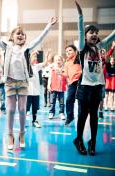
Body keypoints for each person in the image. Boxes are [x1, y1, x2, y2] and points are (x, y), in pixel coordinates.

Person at [0, 16, 57, 150]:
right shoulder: (7, 47)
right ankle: (10, 134)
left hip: (23, 82)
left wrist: (48, 26)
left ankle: (21, 134)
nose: (20, 35)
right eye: (18, 33)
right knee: (10, 109)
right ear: (12, 37)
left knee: (21, 109)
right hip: (9, 81)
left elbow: (39, 39)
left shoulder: (27, 48)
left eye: (22, 34)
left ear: (25, 38)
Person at [73, 1, 115, 156]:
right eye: (91, 32)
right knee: (83, 115)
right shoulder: (82, 48)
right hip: (84, 87)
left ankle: (93, 142)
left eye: (96, 32)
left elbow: (113, 35)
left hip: (98, 86)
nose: (94, 34)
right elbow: (80, 30)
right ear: (85, 35)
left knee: (94, 117)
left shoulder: (100, 47)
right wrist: (80, 14)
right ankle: (78, 140)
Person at [26, 50, 48, 128]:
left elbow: (45, 63)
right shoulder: (26, 66)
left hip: (36, 92)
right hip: (27, 92)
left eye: (36, 57)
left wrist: (47, 54)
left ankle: (34, 121)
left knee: (35, 108)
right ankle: (23, 121)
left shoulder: (36, 66)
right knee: (26, 108)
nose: (35, 58)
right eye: (33, 57)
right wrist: (32, 53)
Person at [64, 45, 81, 125]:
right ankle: (70, 116)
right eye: (66, 51)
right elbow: (66, 75)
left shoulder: (80, 59)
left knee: (81, 101)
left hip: (81, 82)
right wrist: (60, 73)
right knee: (69, 100)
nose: (68, 52)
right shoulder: (67, 63)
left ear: (75, 51)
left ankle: (82, 116)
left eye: (70, 50)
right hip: (72, 84)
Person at [47, 55, 67, 120]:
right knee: (52, 101)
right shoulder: (52, 69)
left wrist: (67, 85)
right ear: (54, 61)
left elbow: (66, 77)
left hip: (61, 88)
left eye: (59, 60)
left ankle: (61, 113)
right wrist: (48, 85)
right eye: (56, 60)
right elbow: (50, 77)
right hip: (53, 88)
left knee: (62, 102)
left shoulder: (64, 69)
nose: (58, 61)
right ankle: (51, 112)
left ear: (62, 61)